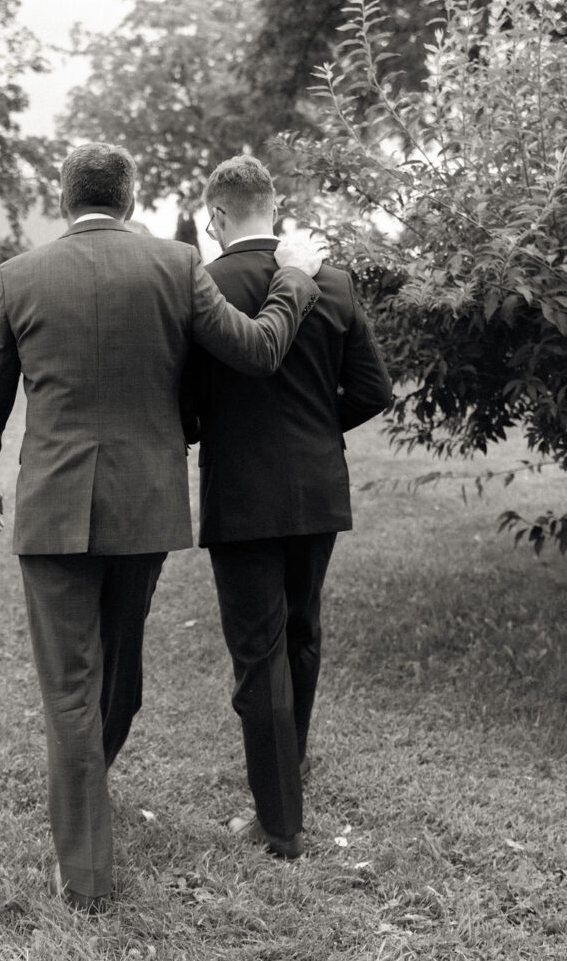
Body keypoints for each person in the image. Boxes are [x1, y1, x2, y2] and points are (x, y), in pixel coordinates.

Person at [0, 143, 323, 914]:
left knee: (72, 689)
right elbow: (257, 350)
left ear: (64, 197)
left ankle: (86, 871)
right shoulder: (176, 264)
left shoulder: (21, 275)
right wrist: (293, 278)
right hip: (146, 505)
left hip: (53, 507)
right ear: (129, 198)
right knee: (118, 673)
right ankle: (87, 809)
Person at [184, 155, 392, 860]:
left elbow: (186, 404)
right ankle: (289, 767)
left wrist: (214, 424)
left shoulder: (206, 285)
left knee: (258, 653)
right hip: (316, 487)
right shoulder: (333, 281)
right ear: (273, 206)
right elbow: (373, 390)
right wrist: (315, 433)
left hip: (241, 492)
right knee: (301, 634)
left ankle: (279, 824)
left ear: (216, 216)